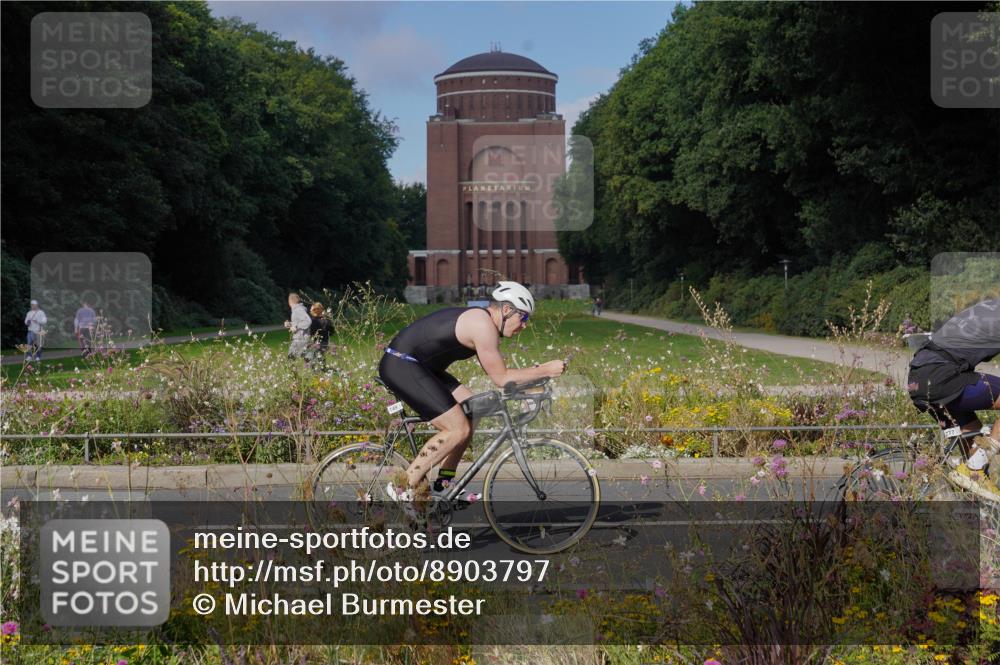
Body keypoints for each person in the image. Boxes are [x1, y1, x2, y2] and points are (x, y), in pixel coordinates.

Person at [378, 281, 566, 512]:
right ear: (507, 310)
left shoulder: (483, 322)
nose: (524, 326)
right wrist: (545, 370)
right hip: (402, 364)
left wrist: (533, 380)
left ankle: (444, 484)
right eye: (524, 318)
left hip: (423, 367)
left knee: (474, 409)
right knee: (457, 429)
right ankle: (403, 485)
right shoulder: (482, 325)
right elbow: (501, 377)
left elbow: (503, 378)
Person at [907, 298, 1000, 496]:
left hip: (919, 379)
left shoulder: (990, 307)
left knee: (974, 451)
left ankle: (972, 490)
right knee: (976, 465)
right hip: (942, 377)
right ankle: (973, 468)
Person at [284, 293, 312, 359]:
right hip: (300, 338)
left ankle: (317, 366)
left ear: (290, 301)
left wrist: (296, 326)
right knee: (307, 359)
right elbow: (299, 322)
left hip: (300, 339)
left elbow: (308, 321)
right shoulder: (297, 309)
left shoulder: (298, 310)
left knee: (291, 358)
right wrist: (290, 324)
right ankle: (316, 365)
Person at [308, 302, 332, 368]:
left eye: (314, 309)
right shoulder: (326, 319)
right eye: (312, 309)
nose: (311, 311)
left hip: (319, 343)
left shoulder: (315, 321)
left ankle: (337, 373)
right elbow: (331, 332)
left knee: (317, 363)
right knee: (318, 362)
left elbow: (311, 333)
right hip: (322, 342)